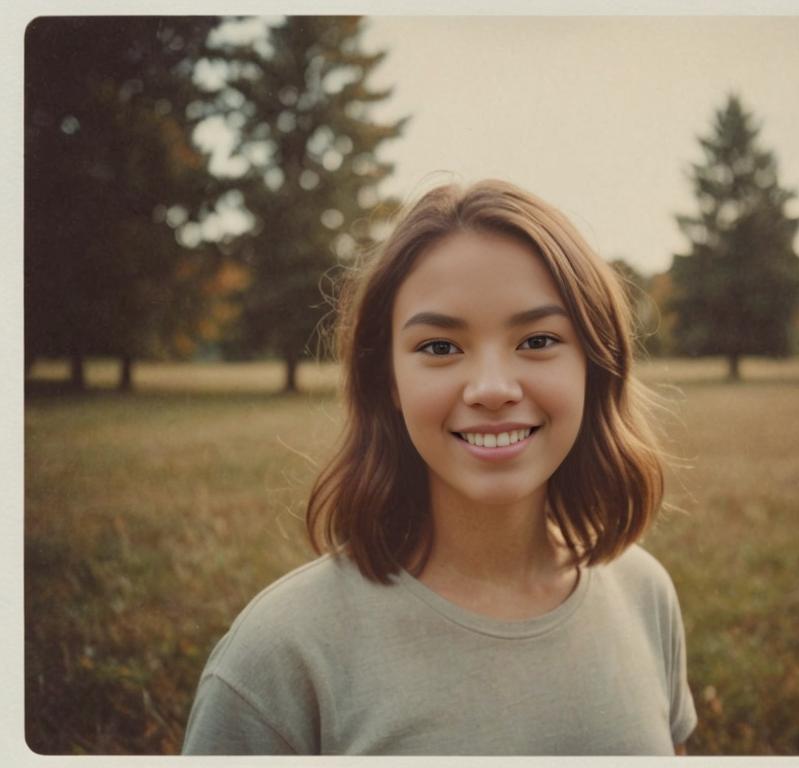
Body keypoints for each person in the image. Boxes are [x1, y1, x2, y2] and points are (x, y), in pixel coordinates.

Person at [181, 179, 698, 755]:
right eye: (439, 347)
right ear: (388, 382)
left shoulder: (645, 595)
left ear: (594, 367)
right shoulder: (281, 653)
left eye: (539, 339)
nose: (493, 388)